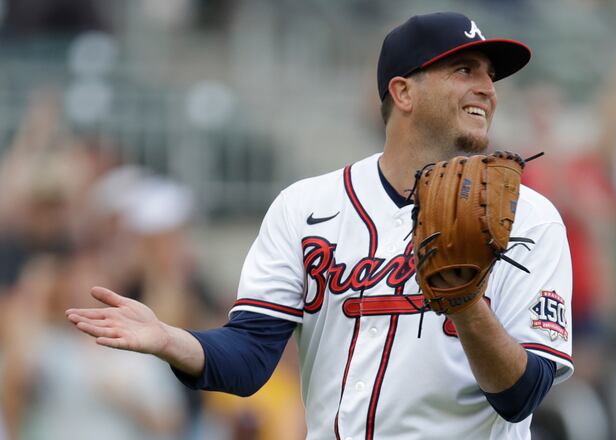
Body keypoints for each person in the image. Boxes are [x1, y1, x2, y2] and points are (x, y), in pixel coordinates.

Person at [66, 12, 573, 440]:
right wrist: (170, 339)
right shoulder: (306, 206)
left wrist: (467, 305)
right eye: (465, 70)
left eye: (490, 76)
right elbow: (249, 358)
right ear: (403, 92)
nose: (487, 89)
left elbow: (521, 396)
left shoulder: (532, 220)